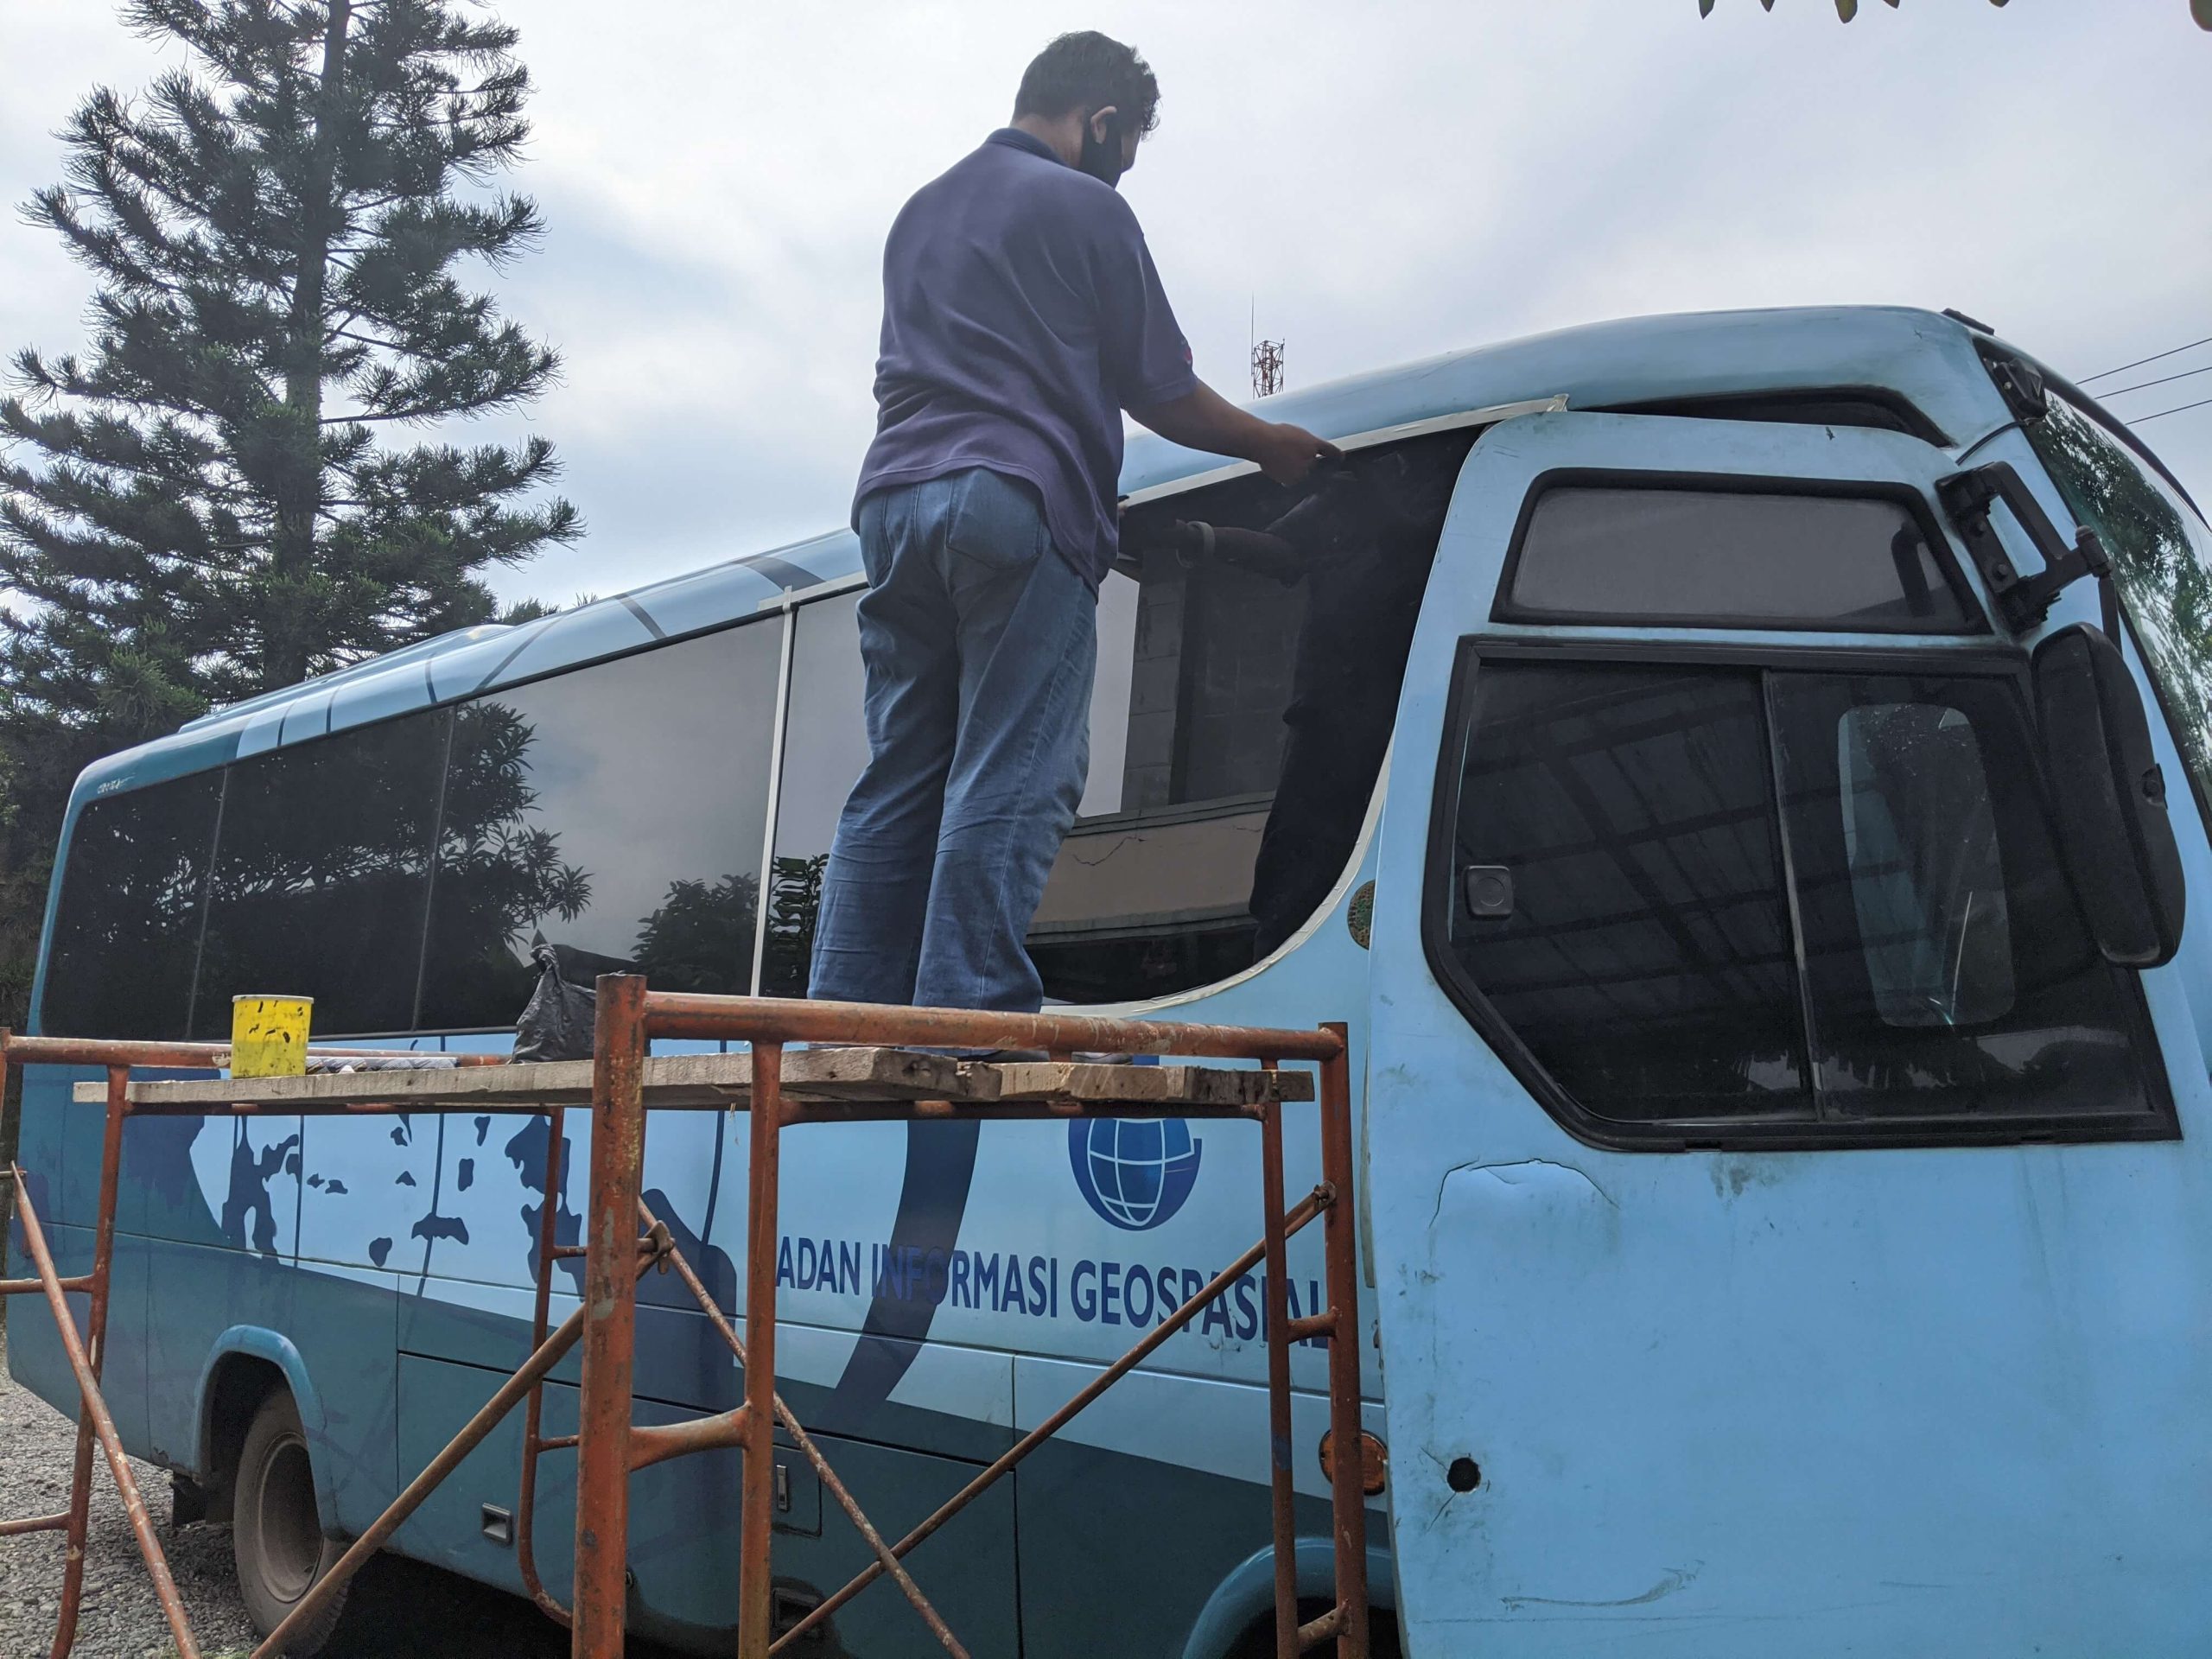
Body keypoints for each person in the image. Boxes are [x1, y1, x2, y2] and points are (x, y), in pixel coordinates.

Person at [808, 30, 1338, 1014]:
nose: (1120, 174)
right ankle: (968, 1015)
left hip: (891, 504)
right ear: (1101, 122)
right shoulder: (1085, 206)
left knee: (900, 776)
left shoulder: (921, 210)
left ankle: (841, 1018)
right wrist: (1267, 445)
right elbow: (1161, 388)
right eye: (1124, 151)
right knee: (1012, 767)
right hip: (1013, 496)